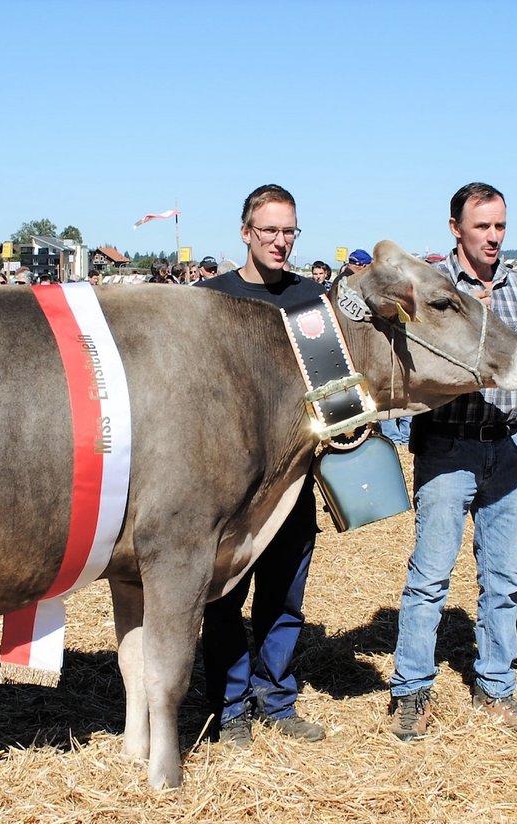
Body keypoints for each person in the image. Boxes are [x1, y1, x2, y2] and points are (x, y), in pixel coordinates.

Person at [388, 182, 517, 740]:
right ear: (456, 228)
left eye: (500, 226)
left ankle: (496, 685)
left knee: (503, 578)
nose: (494, 237)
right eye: (483, 226)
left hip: (502, 445)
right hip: (447, 447)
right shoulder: (431, 288)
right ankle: (411, 691)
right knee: (431, 577)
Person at [196, 183, 326, 747]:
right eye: (269, 230)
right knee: (223, 598)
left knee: (283, 597)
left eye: (288, 230)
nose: (280, 241)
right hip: (229, 488)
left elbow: (333, 382)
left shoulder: (311, 301)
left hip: (293, 479)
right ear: (245, 232)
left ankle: (277, 699)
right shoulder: (209, 299)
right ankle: (229, 707)